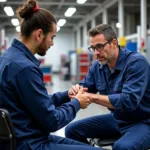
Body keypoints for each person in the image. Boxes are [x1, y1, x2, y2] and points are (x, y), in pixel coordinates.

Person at [0, 0, 103, 150]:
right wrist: (76, 103)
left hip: (26, 136)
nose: (52, 43)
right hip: (30, 144)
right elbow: (52, 121)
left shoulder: (8, 58)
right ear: (39, 34)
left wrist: (67, 95)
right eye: (52, 37)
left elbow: (37, 102)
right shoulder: (25, 68)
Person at [65, 24, 150, 150]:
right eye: (93, 48)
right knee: (71, 130)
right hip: (117, 119)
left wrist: (91, 97)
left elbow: (128, 101)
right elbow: (86, 86)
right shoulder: (98, 66)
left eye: (99, 47)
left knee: (122, 147)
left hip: (143, 122)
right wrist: (77, 89)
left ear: (114, 43)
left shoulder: (136, 63)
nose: (96, 53)